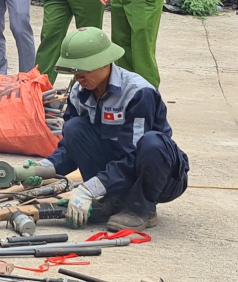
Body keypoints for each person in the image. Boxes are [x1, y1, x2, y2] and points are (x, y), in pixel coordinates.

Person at [24, 27, 188, 231]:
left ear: (105, 63)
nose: (79, 77)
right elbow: (70, 147)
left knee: (152, 143)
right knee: (75, 127)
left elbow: (133, 155)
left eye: (84, 70)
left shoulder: (138, 92)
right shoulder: (79, 92)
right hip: (117, 171)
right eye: (75, 71)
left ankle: (141, 208)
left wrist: (87, 190)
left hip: (159, 176)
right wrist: (43, 167)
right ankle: (115, 199)